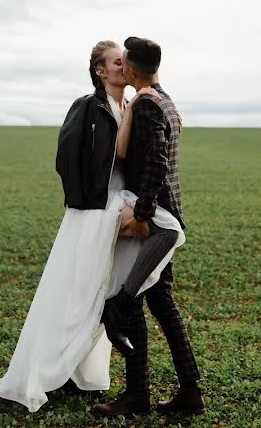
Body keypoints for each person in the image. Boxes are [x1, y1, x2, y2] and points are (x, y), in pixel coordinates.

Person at [0, 40, 185, 413]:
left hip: (123, 205)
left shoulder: (132, 105)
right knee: (72, 295)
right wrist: (94, 206)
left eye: (125, 60)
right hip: (95, 209)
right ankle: (42, 372)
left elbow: (134, 153)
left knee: (103, 293)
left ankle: (93, 375)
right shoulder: (87, 106)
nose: (123, 65)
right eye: (117, 61)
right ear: (101, 71)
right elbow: (66, 160)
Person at [93, 36, 205, 417]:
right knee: (161, 302)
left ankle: (138, 395)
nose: (121, 66)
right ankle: (189, 393)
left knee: (134, 302)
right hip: (168, 213)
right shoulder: (166, 101)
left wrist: (140, 216)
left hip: (157, 221)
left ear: (134, 70)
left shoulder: (145, 108)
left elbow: (156, 164)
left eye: (124, 62)